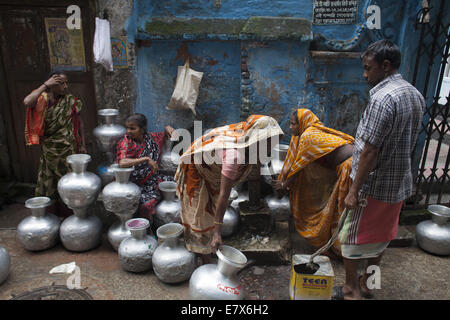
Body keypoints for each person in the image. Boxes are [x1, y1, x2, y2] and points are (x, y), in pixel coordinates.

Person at [334, 40, 425, 300]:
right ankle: (369, 284)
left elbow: (370, 151)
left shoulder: (382, 99)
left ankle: (351, 290)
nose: (364, 75)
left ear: (385, 66)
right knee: (382, 237)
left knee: (351, 238)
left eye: (367, 68)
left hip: (371, 187)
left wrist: (353, 190)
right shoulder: (413, 93)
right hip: (398, 185)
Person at [175, 115, 283, 263]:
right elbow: (224, 196)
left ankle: (207, 248)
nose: (271, 145)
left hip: (213, 171)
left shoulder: (250, 143)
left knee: (211, 211)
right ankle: (204, 256)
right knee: (200, 215)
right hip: (197, 170)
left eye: (274, 140)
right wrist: (217, 232)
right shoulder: (235, 156)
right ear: (257, 139)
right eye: (268, 141)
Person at [273, 108, 354, 258]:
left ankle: (343, 251)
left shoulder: (308, 135)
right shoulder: (311, 131)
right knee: (339, 208)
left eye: (292, 124)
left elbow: (299, 166)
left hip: (350, 167)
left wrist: (284, 184)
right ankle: (336, 246)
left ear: (302, 123)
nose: (290, 128)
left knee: (340, 211)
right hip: (347, 166)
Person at [24, 71, 86, 217]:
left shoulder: (70, 100)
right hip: (50, 150)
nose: (65, 87)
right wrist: (45, 85)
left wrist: (83, 144)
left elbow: (80, 122)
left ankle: (73, 215)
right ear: (52, 84)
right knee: (50, 184)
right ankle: (51, 217)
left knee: (70, 184)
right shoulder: (41, 99)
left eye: (66, 83)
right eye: (61, 83)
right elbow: (27, 102)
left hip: (70, 149)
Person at [115, 113, 176, 223]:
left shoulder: (151, 139)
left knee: (179, 183)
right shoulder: (126, 142)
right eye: (127, 128)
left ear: (143, 130)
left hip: (152, 179)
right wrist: (146, 159)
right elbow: (122, 162)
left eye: (132, 128)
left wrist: (167, 127)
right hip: (135, 184)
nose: (128, 131)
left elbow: (164, 134)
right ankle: (147, 231)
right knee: (146, 206)